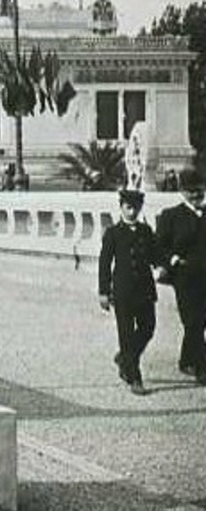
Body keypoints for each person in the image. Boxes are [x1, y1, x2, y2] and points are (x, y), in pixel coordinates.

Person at [98, 188, 159, 395]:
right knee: (125, 333)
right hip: (123, 291)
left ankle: (125, 358)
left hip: (144, 289)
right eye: (128, 207)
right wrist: (103, 291)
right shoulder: (113, 233)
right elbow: (104, 263)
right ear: (121, 207)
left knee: (148, 327)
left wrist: (164, 265)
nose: (132, 212)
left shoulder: (146, 231)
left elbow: (154, 255)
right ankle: (134, 377)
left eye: (136, 208)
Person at [155, 168, 206, 383]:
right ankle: (202, 368)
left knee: (200, 321)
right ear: (182, 191)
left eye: (200, 191)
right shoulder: (171, 216)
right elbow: (158, 247)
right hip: (185, 277)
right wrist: (173, 261)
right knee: (192, 320)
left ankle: (187, 360)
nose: (197, 196)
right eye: (192, 191)